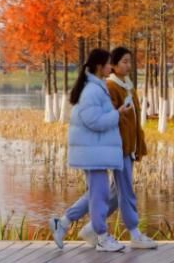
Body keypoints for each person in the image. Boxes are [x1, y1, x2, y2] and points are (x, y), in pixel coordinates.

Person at [74, 47, 157, 250]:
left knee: (111, 194)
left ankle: (88, 227)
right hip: (117, 147)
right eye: (124, 62)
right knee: (124, 191)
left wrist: (138, 145)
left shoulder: (126, 85)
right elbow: (110, 119)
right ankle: (135, 233)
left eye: (130, 61)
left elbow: (133, 121)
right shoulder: (111, 86)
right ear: (113, 65)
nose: (129, 65)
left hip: (127, 146)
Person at [49, 48, 127, 252]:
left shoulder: (97, 87)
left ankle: (64, 223)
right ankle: (102, 237)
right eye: (109, 63)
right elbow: (93, 121)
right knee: (100, 195)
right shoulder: (92, 91)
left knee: (96, 193)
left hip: (95, 151)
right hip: (93, 152)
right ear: (100, 66)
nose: (112, 67)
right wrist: (117, 114)